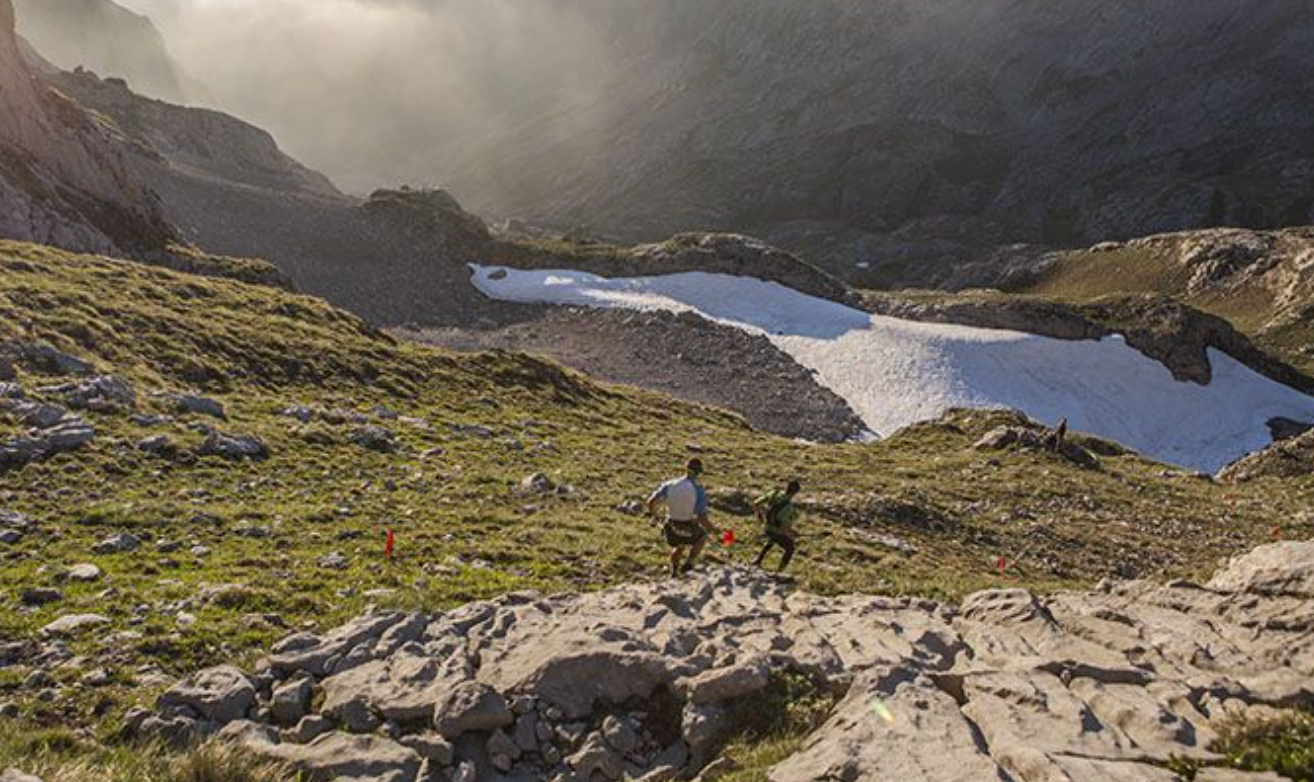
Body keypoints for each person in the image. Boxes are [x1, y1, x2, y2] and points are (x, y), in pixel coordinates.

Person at [647, 458, 714, 577]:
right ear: (699, 472)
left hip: (671, 526)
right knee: (702, 536)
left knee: (679, 546)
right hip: (688, 525)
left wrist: (654, 517)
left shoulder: (669, 485)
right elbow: (702, 517)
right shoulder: (698, 490)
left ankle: (674, 571)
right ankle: (690, 562)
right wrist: (714, 530)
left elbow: (651, 501)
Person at [753, 480, 801, 572]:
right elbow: (784, 528)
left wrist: (759, 517)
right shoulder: (788, 508)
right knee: (790, 548)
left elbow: (756, 503)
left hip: (766, 527)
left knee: (773, 539)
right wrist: (792, 534)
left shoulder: (775, 493)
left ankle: (758, 560)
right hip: (775, 531)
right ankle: (779, 571)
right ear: (795, 493)